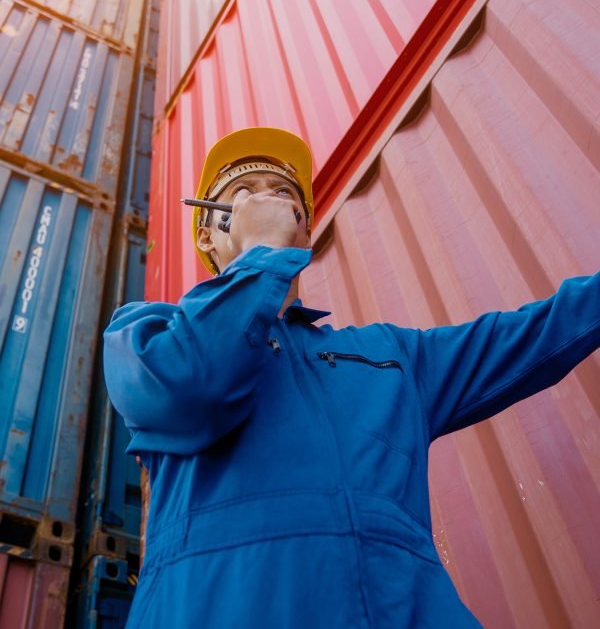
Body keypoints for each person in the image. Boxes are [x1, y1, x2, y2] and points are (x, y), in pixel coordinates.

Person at [103, 127, 600, 628]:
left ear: (305, 233)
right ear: (208, 233)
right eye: (244, 194)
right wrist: (261, 256)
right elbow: (191, 388)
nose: (268, 200)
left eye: (284, 195)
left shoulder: (392, 354)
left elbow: (540, 332)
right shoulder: (145, 331)